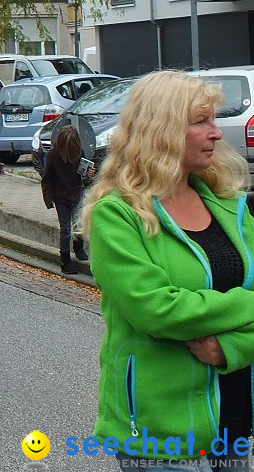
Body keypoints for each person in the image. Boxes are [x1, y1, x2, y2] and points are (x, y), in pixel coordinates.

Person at [81, 71, 254, 470]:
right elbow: (156, 309)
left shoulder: (229, 205)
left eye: (214, 120)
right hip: (162, 438)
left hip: (234, 427)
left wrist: (230, 347)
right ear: (164, 129)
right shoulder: (118, 215)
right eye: (201, 122)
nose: (216, 133)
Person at [41, 126, 93, 274]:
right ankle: (65, 259)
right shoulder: (52, 155)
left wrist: (89, 174)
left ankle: (78, 247)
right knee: (65, 228)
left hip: (76, 193)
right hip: (61, 196)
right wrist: (48, 199)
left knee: (78, 225)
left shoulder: (79, 152)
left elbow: (83, 175)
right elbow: (47, 179)